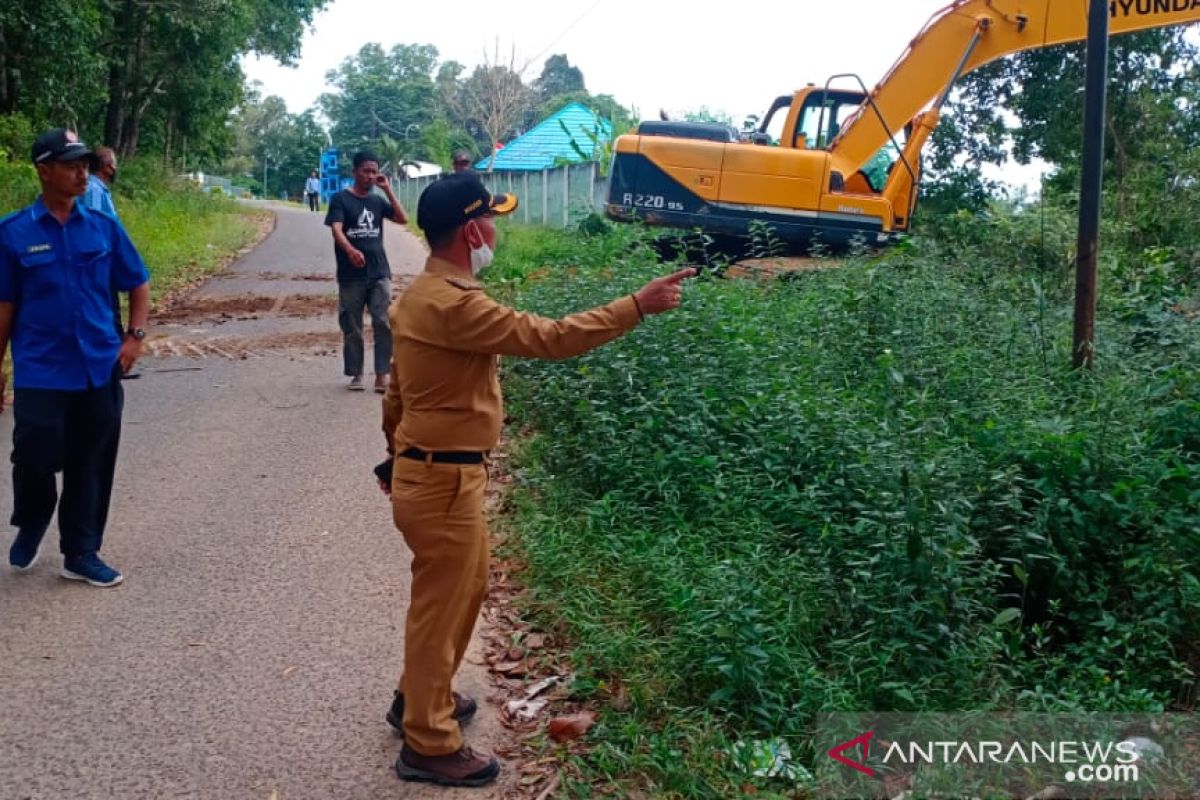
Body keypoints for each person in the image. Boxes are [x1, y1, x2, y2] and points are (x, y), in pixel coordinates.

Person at [378, 172, 692, 787]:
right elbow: (549, 339)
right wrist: (635, 305)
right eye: (491, 218)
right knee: (441, 608)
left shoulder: (421, 295)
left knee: (459, 595)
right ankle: (428, 742)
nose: (497, 228)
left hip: (435, 474)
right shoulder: (457, 304)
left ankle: (419, 698)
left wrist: (395, 455)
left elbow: (398, 393)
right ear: (472, 230)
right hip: (442, 482)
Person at [0, 128, 150, 587]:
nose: (81, 172)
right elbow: (5, 307)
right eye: (69, 164)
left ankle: (81, 552)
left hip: (98, 364)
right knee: (33, 455)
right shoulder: (13, 233)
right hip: (41, 368)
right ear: (43, 171)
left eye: (84, 163)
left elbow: (137, 282)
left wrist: (134, 337)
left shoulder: (103, 227)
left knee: (91, 461)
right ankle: (33, 516)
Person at [324, 151, 408, 393]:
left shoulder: (377, 201)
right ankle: (357, 373)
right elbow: (336, 230)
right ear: (355, 172)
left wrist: (388, 190)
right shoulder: (341, 199)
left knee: (383, 322)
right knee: (352, 325)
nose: (370, 176)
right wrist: (350, 250)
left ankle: (382, 375)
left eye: (374, 172)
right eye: (366, 171)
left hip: (379, 271)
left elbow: (402, 219)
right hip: (351, 274)